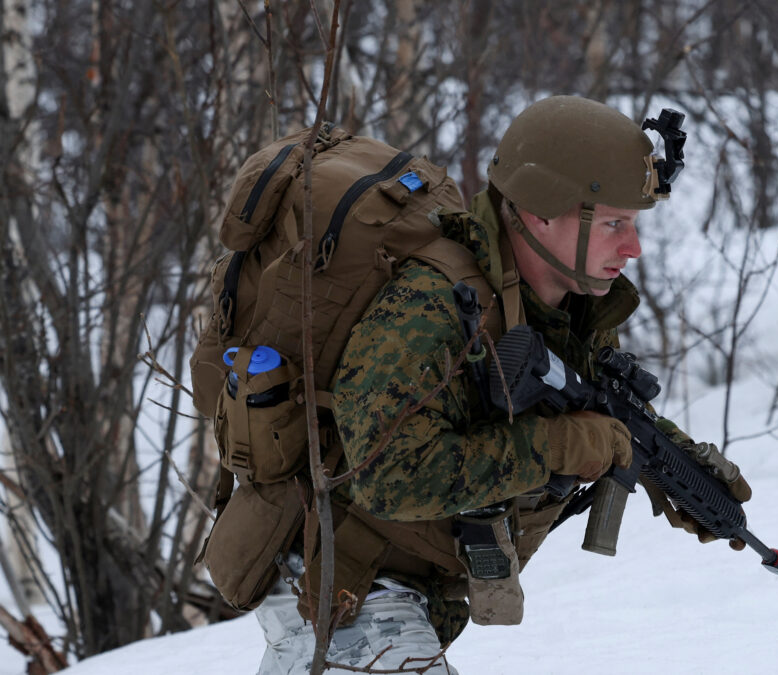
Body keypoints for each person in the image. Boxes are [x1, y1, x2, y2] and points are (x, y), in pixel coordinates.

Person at [253, 95, 751, 674]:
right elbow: (385, 478)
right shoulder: (430, 307)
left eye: (633, 224)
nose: (632, 247)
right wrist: (562, 447)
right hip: (343, 583)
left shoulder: (565, 306)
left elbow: (604, 407)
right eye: (615, 222)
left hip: (404, 590)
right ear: (541, 210)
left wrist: (676, 464)